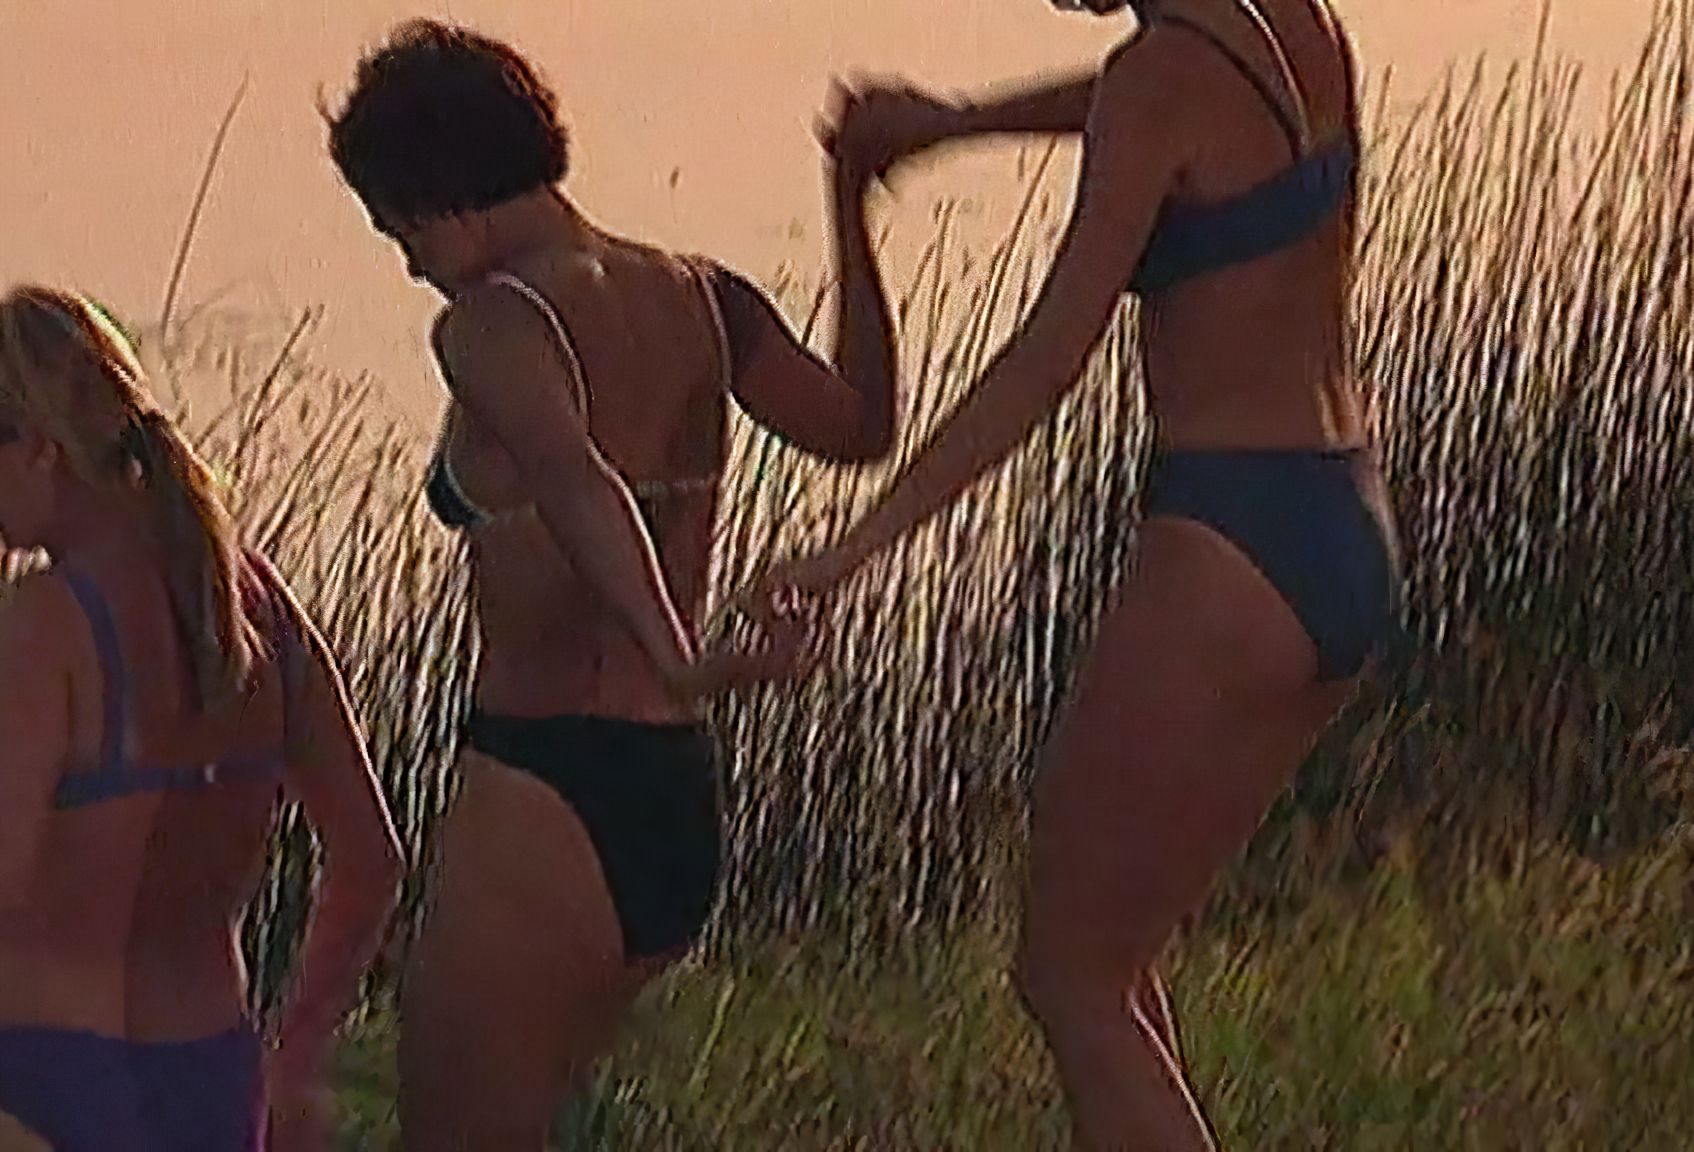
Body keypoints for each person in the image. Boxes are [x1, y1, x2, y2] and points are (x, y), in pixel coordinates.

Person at [758, 1, 1402, 1148]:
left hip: (1230, 543)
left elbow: (1047, 360)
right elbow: (1134, 105)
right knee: (1114, 961)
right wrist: (956, 124)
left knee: (1067, 977)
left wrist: (851, 548)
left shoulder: (1158, 80)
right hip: (1341, 516)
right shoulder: (1290, 25)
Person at [320, 18, 900, 1147]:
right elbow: (861, 426)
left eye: (399, 228)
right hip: (671, 798)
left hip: (545, 790)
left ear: (443, 192)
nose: (405, 261)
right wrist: (850, 208)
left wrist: (681, 657)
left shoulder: (492, 321)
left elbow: (576, 480)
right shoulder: (704, 297)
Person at [0, 286, 404, 1151]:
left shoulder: (46, 625)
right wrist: (298, 1051)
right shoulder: (258, 603)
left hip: (42, 1084)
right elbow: (371, 855)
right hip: (211, 1084)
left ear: (35, 448)